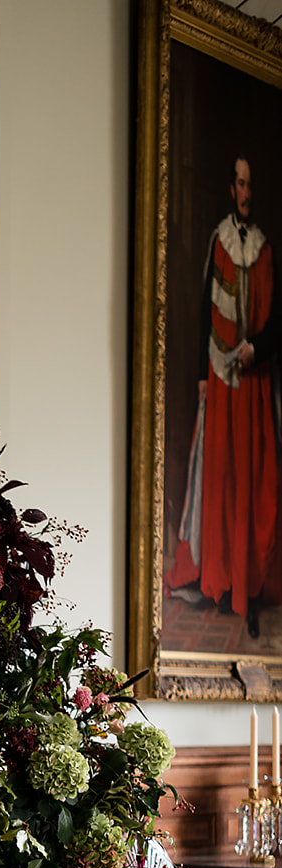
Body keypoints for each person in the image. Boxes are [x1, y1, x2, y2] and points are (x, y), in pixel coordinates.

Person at [165, 156, 281, 638]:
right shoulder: (220, 240)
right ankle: (218, 577)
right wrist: (199, 375)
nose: (246, 193)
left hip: (254, 385)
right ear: (230, 189)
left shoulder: (265, 249)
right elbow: (201, 314)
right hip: (220, 379)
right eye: (239, 183)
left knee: (254, 480)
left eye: (251, 185)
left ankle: (248, 584)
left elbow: (279, 321)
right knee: (219, 478)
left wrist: (258, 347)